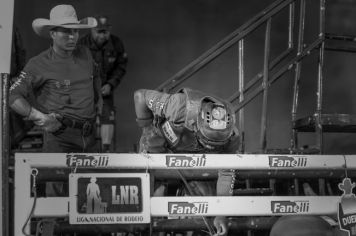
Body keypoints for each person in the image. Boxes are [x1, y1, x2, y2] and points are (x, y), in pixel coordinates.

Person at [134, 88, 239, 236]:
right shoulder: (179, 106)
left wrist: (221, 214)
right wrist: (147, 130)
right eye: (208, 141)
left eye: (217, 144)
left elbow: (227, 173)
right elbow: (140, 96)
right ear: (196, 125)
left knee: (207, 208)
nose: (211, 146)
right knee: (149, 205)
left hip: (196, 161)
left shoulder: (232, 136)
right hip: (158, 149)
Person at [9, 4, 103, 154]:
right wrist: (39, 117)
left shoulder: (85, 53)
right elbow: (12, 95)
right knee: (58, 178)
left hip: (90, 136)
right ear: (52, 34)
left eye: (75, 31)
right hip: (60, 137)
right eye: (66, 31)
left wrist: (99, 101)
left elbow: (96, 74)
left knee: (92, 178)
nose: (72, 36)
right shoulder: (38, 64)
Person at [78, 15, 128, 152]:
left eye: (105, 32)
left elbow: (121, 67)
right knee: (85, 119)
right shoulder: (81, 44)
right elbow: (75, 68)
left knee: (108, 116)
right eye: (99, 32)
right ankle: (86, 150)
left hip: (105, 89)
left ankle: (106, 151)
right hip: (85, 91)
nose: (102, 35)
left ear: (109, 30)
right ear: (92, 31)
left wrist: (111, 84)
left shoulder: (116, 43)